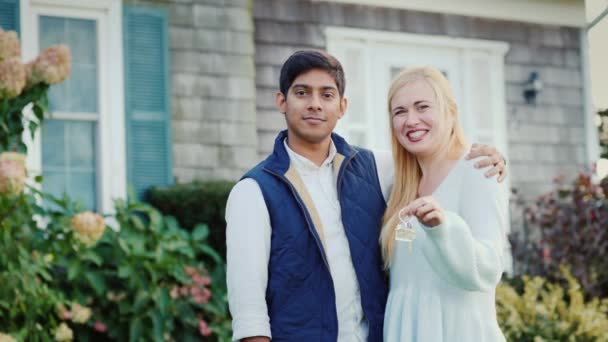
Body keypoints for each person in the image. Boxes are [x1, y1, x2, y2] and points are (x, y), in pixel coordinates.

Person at [225, 50, 507, 342]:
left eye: (327, 95)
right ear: (281, 101)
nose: (314, 105)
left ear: (342, 106)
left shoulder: (374, 169)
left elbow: (447, 167)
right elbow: (249, 313)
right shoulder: (254, 191)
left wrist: (490, 157)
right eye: (302, 93)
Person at [381, 66, 507, 341]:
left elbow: (489, 269)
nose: (411, 120)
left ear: (450, 111)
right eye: (399, 112)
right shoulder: (394, 181)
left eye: (422, 106)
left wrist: (444, 229)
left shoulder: (478, 170)